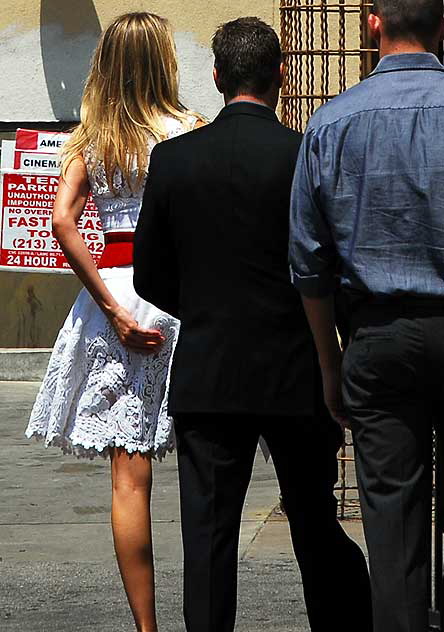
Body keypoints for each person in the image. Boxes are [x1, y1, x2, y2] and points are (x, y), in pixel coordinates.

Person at [134, 17, 372, 632]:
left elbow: (148, 276)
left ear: (215, 77)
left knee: (208, 542)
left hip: (209, 373)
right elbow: (332, 260)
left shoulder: (173, 160)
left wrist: (207, 310)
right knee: (317, 527)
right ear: (281, 75)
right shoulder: (303, 154)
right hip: (295, 370)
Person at [25, 12, 203, 632]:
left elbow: (61, 223)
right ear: (162, 60)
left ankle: (146, 627)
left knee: (130, 478)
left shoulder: (91, 138)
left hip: (118, 292)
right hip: (180, 293)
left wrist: (109, 307)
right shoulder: (188, 130)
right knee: (207, 461)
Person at [289, 1, 444, 630]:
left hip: (376, 336)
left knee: (391, 520)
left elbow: (308, 261)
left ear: (373, 24)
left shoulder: (331, 124)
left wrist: (330, 363)